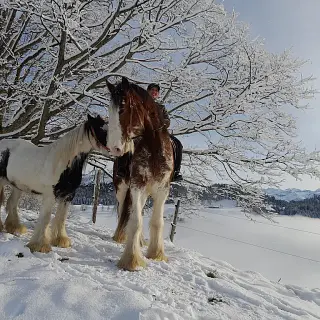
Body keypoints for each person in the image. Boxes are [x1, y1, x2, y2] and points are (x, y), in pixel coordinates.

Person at [115, 83, 183, 182]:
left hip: (159, 133)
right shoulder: (140, 105)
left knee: (177, 144)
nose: (154, 92)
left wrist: (162, 123)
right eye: (152, 90)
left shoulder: (161, 107)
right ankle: (122, 168)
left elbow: (167, 120)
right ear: (147, 92)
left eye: (156, 91)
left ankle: (176, 172)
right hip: (142, 133)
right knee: (127, 141)